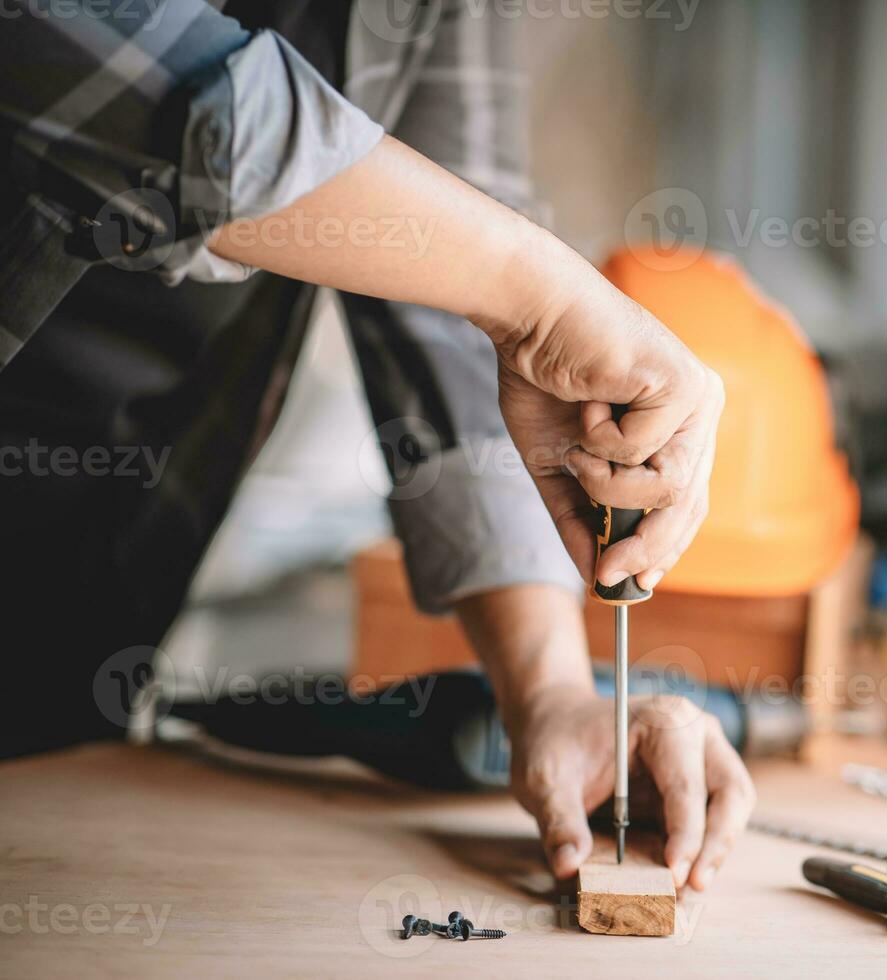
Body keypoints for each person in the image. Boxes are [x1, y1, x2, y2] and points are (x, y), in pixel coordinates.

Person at [0, 0, 753, 892]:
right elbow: (149, 92)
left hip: (110, 521)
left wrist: (549, 691)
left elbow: (450, 258)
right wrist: (540, 293)